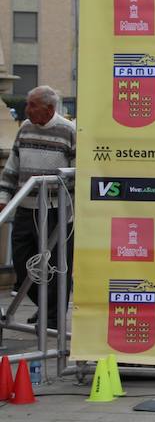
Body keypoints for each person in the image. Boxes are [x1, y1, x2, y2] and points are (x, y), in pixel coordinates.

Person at [0, 86, 76, 329]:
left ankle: (52, 318)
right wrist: (3, 196)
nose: (26, 110)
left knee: (54, 267)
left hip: (55, 211)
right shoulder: (24, 128)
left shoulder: (69, 131)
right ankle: (45, 306)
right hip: (26, 207)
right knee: (24, 266)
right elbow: (12, 166)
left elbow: (78, 172)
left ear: (50, 108)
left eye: (32, 105)